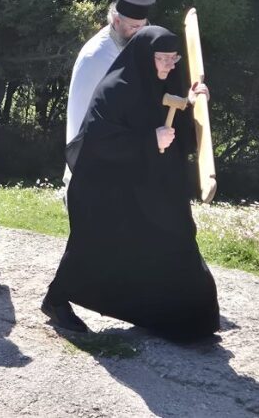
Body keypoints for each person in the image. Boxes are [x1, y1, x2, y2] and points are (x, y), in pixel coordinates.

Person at [42, 26, 220, 341]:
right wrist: (149, 139)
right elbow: (99, 143)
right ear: (143, 56)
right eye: (161, 59)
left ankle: (186, 321)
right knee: (98, 250)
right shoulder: (114, 89)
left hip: (155, 187)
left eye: (172, 59)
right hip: (109, 189)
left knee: (176, 240)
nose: (167, 66)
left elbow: (182, 133)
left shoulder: (164, 83)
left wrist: (194, 104)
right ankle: (56, 300)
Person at [66, 0, 156, 147]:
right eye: (134, 27)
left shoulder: (130, 46)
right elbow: (89, 121)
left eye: (144, 27)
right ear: (116, 21)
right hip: (94, 159)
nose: (140, 33)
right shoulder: (97, 57)